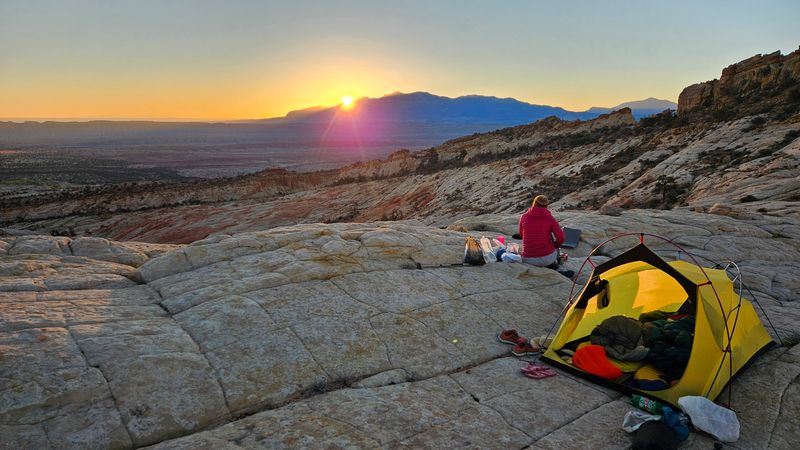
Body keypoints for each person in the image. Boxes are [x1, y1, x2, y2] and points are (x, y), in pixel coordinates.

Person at [518, 195, 574, 278]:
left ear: (534, 203)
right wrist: (555, 246)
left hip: (528, 259)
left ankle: (553, 267)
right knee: (551, 240)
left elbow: (521, 234)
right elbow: (561, 237)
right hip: (547, 258)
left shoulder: (524, 217)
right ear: (546, 206)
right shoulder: (550, 218)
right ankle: (556, 268)